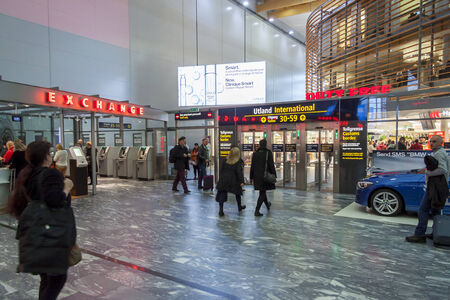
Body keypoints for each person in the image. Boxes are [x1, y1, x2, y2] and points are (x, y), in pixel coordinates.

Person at [7, 141, 76, 300]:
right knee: (58, 277)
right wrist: (67, 186)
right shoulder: (50, 174)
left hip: (35, 228)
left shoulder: (27, 173)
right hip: (52, 229)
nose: (51, 155)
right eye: (50, 153)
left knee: (46, 276)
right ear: (45, 156)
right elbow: (56, 200)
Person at [406, 135, 450, 243]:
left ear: (441, 143)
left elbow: (442, 169)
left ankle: (420, 234)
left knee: (423, 209)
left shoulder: (439, 154)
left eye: (434, 141)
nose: (432, 143)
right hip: (437, 186)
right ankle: (436, 232)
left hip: (435, 186)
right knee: (435, 210)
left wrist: (429, 173)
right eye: (431, 141)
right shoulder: (439, 153)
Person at [216, 147, 246, 216]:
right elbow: (239, 172)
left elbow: (221, 170)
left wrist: (221, 178)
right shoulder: (238, 162)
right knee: (238, 193)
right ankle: (239, 207)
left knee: (222, 194)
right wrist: (242, 181)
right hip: (234, 180)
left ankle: (221, 210)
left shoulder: (224, 160)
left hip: (224, 179)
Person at [250, 139, 276, 217]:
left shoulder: (255, 153)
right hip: (265, 176)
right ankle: (257, 210)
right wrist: (274, 175)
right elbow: (271, 165)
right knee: (262, 192)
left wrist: (251, 177)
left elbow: (252, 166)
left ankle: (267, 205)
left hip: (257, 176)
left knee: (262, 191)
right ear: (266, 144)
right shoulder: (268, 153)